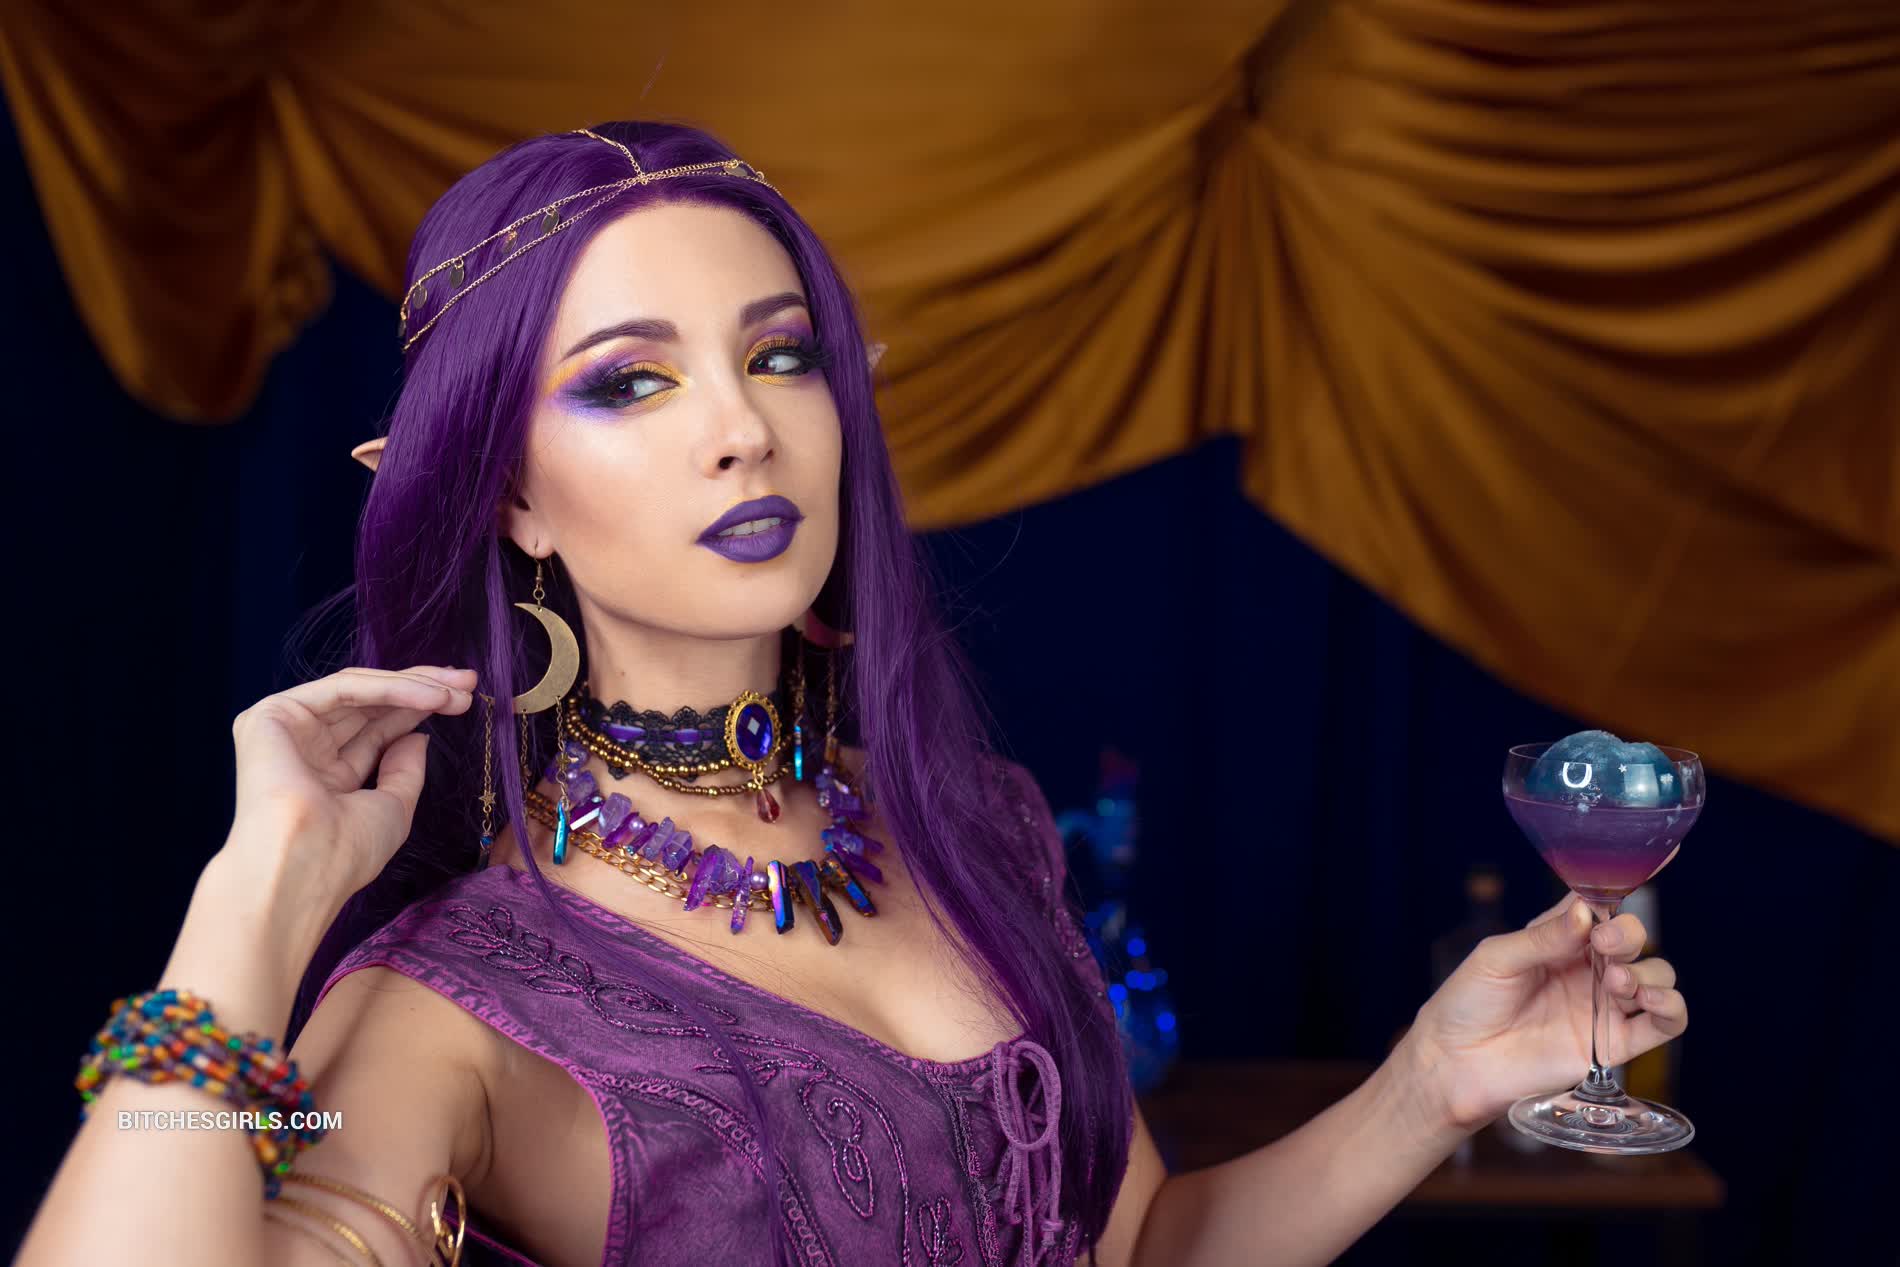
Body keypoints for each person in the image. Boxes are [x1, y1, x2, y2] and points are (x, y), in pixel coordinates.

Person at [16, 122, 1688, 1267]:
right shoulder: (450, 1005)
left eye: (781, 353)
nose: (742, 428)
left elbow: (1147, 1249)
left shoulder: (967, 826)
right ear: (507, 494)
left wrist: (1429, 1086)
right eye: (629, 383)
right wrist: (247, 902)